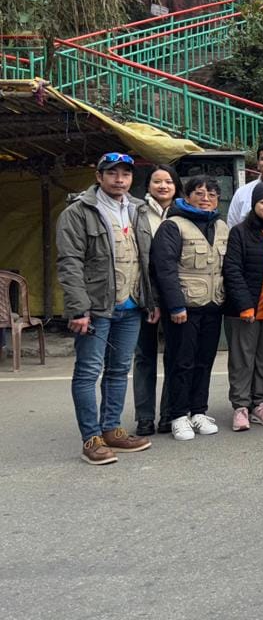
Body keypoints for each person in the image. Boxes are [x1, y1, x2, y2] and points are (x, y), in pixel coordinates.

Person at [56, 152, 158, 465]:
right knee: (88, 372)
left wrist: (150, 301)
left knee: (118, 370)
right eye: (112, 173)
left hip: (131, 305)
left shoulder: (139, 209)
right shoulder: (78, 212)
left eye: (125, 174)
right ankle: (92, 438)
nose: (119, 179)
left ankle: (112, 429)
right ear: (98, 176)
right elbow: (69, 263)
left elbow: (146, 260)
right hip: (96, 307)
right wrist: (79, 309)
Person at [151, 175, 227, 441]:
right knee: (180, 361)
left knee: (204, 361)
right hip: (184, 307)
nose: (206, 198)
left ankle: (198, 411)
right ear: (187, 195)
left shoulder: (220, 225)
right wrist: (175, 305)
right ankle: (178, 415)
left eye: (212, 194)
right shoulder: (173, 226)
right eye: (200, 193)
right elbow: (164, 269)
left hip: (213, 305)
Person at [222, 182, 263, 431]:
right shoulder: (239, 232)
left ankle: (260, 403)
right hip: (245, 308)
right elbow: (232, 270)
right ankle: (240, 407)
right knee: (241, 359)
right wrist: (244, 305)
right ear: (254, 205)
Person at [132, 163, 177, 436]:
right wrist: (150, 299)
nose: (163, 186)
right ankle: (144, 416)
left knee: (174, 357)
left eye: (168, 181)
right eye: (157, 181)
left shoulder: (184, 212)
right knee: (145, 357)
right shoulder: (136, 213)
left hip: (175, 296)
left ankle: (169, 414)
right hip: (144, 296)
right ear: (148, 185)